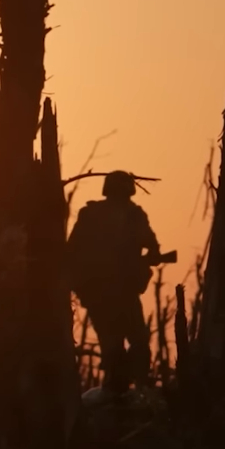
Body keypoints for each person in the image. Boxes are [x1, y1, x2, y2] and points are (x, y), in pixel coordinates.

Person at [67, 170, 161, 398]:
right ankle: (129, 387)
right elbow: (153, 247)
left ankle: (124, 386)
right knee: (132, 340)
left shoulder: (93, 214)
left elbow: (71, 252)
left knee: (118, 342)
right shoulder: (132, 214)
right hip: (114, 292)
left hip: (105, 292)